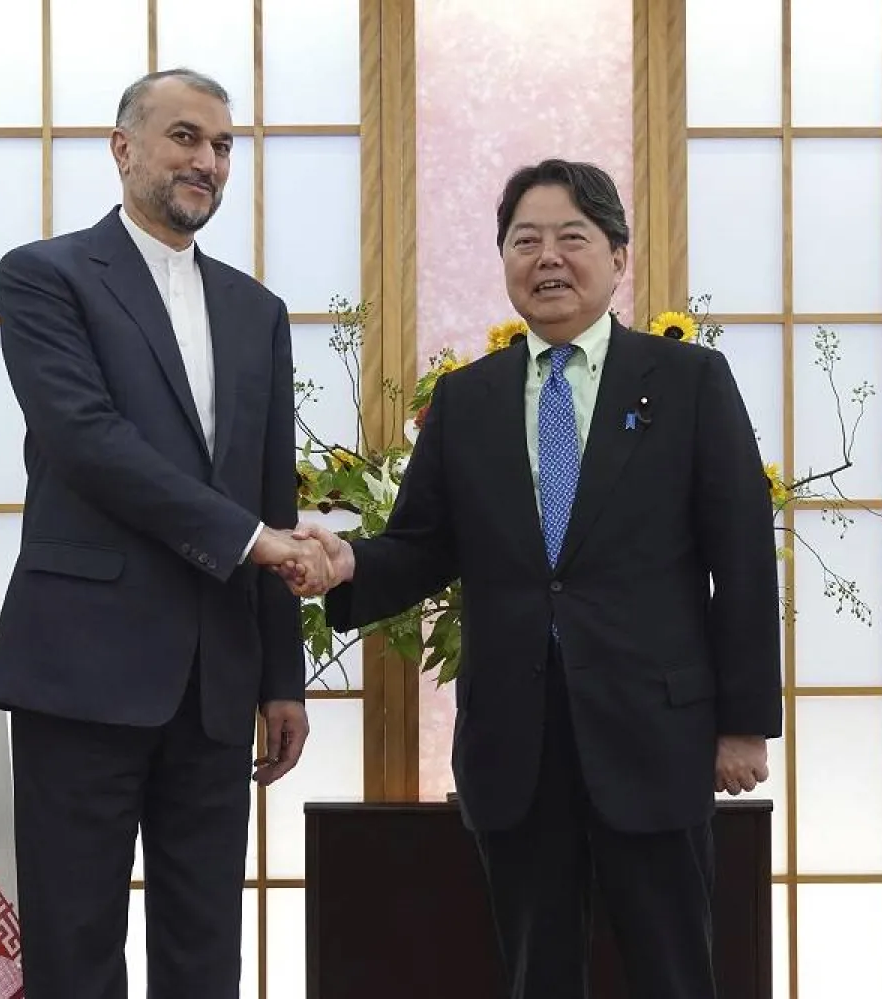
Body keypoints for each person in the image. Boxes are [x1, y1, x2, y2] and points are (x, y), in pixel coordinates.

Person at [293, 159, 783, 999]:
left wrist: (743, 724)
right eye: (525, 241)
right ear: (505, 259)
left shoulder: (689, 383)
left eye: (572, 238)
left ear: (619, 257)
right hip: (517, 738)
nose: (547, 258)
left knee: (674, 971)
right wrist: (347, 561)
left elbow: (740, 557)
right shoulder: (467, 400)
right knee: (536, 973)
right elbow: (421, 544)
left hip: (653, 736)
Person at [0, 68, 332, 997]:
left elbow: (268, 493)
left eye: (221, 146)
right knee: (74, 940)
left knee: (206, 945)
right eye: (185, 137)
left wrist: (281, 677)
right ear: (123, 147)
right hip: (80, 671)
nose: (206, 162)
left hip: (216, 683)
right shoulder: (43, 275)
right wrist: (256, 541)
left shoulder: (258, 312)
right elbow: (88, 444)